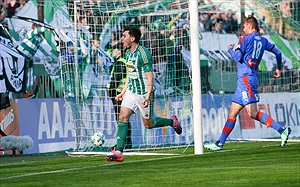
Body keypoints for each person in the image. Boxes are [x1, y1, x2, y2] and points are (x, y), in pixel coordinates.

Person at [204, 15, 291, 151]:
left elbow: (237, 57)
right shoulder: (263, 40)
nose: (243, 28)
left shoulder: (244, 38)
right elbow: (278, 53)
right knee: (232, 113)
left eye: (244, 26)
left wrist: (230, 49)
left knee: (253, 113)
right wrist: (278, 68)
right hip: (247, 79)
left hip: (246, 78)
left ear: (250, 26)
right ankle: (219, 143)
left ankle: (282, 130)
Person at [105, 26, 182, 162]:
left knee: (148, 124)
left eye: (125, 36)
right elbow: (130, 74)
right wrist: (123, 92)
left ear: (132, 38)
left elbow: (150, 77)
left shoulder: (144, 53)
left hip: (144, 93)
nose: (122, 38)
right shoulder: (128, 53)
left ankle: (172, 122)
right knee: (122, 116)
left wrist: (147, 96)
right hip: (131, 91)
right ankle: (119, 151)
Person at [107, 44, 132, 149]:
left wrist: (111, 92)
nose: (113, 51)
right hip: (124, 93)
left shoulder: (120, 63)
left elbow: (116, 80)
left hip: (118, 94)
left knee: (121, 119)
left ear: (119, 51)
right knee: (124, 118)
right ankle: (127, 142)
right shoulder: (126, 62)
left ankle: (124, 143)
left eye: (115, 50)